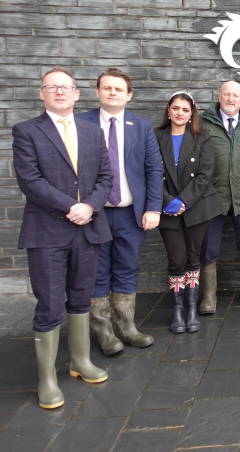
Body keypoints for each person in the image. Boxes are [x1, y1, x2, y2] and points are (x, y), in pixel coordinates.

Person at [12, 66, 111, 409]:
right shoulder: (27, 131)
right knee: (50, 302)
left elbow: (105, 177)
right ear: (42, 93)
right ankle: (47, 378)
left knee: (81, 297)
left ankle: (80, 362)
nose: (59, 92)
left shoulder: (92, 132)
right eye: (51, 87)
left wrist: (91, 206)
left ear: (76, 94)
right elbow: (30, 180)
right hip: (47, 230)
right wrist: (73, 206)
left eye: (65, 87)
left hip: (88, 229)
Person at [77, 68, 162, 356]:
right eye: (107, 88)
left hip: (130, 214)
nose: (113, 93)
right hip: (94, 214)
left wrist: (153, 208)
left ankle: (126, 327)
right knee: (97, 272)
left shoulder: (141, 126)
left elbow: (153, 169)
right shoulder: (80, 123)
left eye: (118, 89)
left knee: (127, 267)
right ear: (98, 91)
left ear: (129, 95)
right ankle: (103, 331)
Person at [155, 92, 223, 334]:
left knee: (193, 257)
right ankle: (177, 310)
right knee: (176, 259)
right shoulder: (155, 136)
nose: (180, 113)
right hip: (166, 208)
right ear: (169, 110)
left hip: (196, 206)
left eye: (185, 109)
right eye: (176, 108)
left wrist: (183, 200)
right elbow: (150, 172)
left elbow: (206, 174)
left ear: (192, 113)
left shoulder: (202, 138)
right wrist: (167, 201)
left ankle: (191, 308)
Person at [198, 81, 240, 313]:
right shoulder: (203, 121)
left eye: (236, 95)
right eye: (227, 94)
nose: (231, 99)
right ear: (219, 96)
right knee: (208, 247)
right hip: (211, 196)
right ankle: (208, 297)